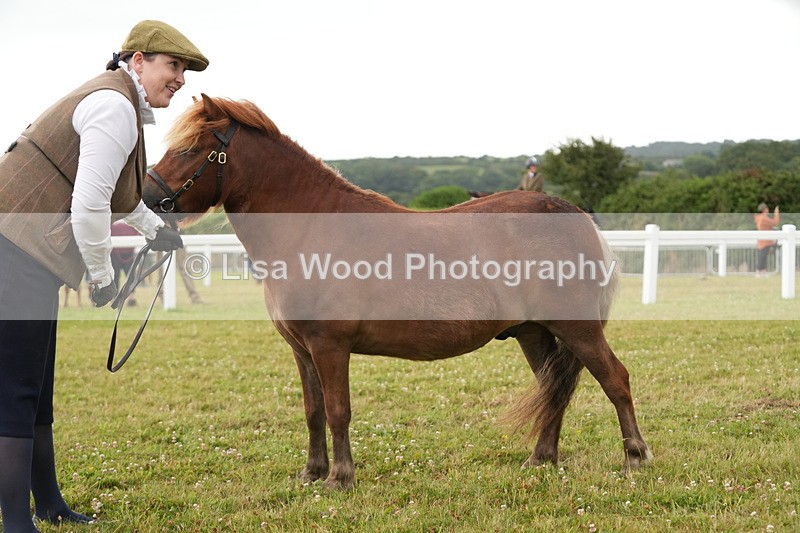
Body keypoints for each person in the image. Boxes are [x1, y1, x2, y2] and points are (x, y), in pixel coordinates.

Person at [0, 20, 206, 532]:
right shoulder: (114, 107)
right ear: (137, 60)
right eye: (172, 65)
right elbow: (88, 204)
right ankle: (15, 522)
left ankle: (47, 504)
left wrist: (155, 229)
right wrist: (101, 277)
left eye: (183, 69)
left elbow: (119, 196)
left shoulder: (119, 104)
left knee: (36, 387)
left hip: (21, 251)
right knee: (16, 389)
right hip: (12, 250)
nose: (179, 78)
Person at [111, 221, 140, 306]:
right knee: (115, 276)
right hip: (115, 253)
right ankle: (115, 297)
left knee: (131, 276)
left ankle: (131, 297)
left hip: (129, 253)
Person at [754, 202, 780, 276]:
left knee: (763, 256)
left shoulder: (759, 217)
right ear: (765, 209)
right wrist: (776, 213)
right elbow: (775, 222)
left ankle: (762, 270)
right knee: (762, 256)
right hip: (765, 241)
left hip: (762, 241)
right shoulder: (763, 218)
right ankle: (759, 271)